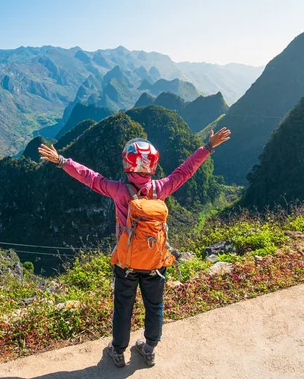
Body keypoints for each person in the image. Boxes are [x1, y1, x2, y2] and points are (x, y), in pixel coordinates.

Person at [38, 127, 231, 368]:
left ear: (127, 164)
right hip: (155, 263)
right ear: (153, 165)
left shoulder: (118, 190)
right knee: (154, 306)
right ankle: (149, 349)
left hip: (126, 263)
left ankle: (117, 351)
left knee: (123, 307)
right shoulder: (161, 188)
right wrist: (208, 146)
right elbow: (185, 171)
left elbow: (90, 177)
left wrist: (62, 161)